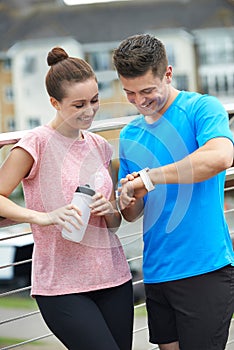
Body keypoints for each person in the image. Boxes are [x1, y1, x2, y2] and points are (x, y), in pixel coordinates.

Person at [0, 47, 133, 350]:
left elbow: (113, 224)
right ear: (54, 103)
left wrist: (109, 208)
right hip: (61, 287)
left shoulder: (99, 145)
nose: (89, 111)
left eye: (95, 100)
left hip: (113, 278)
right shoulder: (36, 143)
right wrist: (42, 216)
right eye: (78, 104)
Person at [113, 33, 234, 350]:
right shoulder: (129, 135)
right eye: (129, 93)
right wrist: (128, 197)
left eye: (147, 91)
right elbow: (132, 212)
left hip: (204, 268)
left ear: (168, 73)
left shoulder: (201, 108)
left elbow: (220, 156)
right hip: (156, 272)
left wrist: (149, 178)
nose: (139, 101)